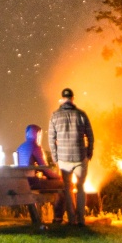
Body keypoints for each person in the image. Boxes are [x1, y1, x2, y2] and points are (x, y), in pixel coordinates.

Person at [47, 87, 94, 225]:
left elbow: (51, 139)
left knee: (67, 189)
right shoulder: (81, 114)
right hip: (80, 156)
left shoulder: (55, 116)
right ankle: (81, 220)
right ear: (73, 99)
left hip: (63, 159)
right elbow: (90, 136)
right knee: (80, 187)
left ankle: (72, 219)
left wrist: (55, 157)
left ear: (62, 99)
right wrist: (89, 152)